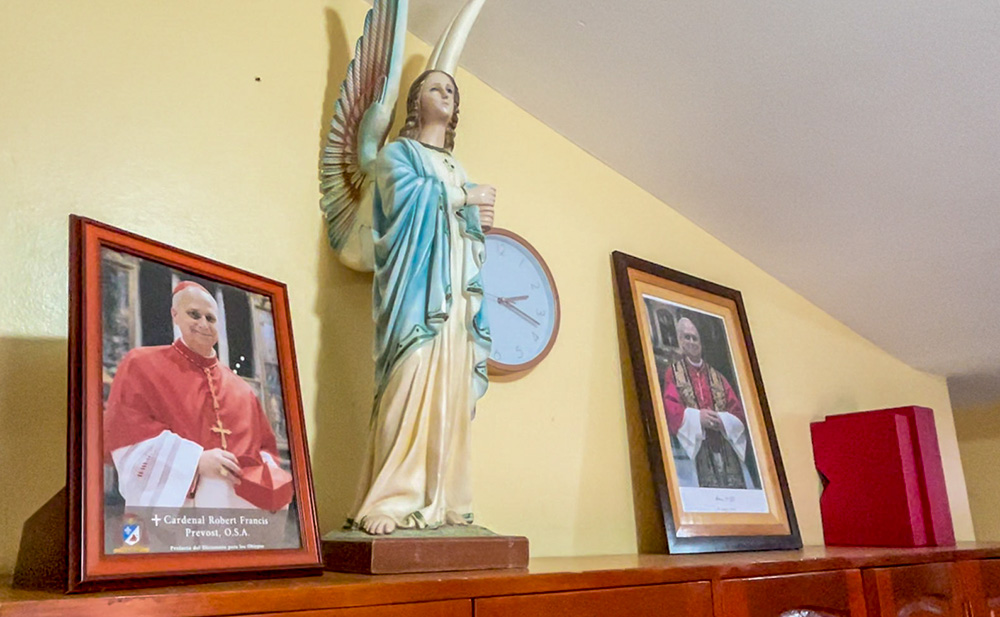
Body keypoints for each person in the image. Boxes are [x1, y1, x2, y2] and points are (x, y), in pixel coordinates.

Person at [349, 70, 496, 535]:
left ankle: (446, 498)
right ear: (415, 102)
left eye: (452, 90)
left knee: (449, 391)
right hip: (414, 293)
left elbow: (463, 229)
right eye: (436, 88)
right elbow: (398, 202)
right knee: (407, 384)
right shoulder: (399, 153)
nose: (447, 94)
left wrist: (477, 222)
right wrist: (462, 198)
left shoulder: (457, 166)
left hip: (453, 298)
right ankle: (391, 499)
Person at [104, 281, 282, 509]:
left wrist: (261, 473)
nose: (203, 324)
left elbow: (265, 449)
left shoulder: (242, 389)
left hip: (239, 514)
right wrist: (194, 460)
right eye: (194, 315)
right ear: (175, 315)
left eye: (210, 318)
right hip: (178, 519)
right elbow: (126, 434)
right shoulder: (141, 364)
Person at [662, 317, 753, 489]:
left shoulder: (717, 377)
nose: (691, 342)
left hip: (725, 449)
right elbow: (670, 410)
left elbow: (739, 414)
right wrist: (697, 418)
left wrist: (722, 420)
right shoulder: (673, 373)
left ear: (701, 342)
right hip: (693, 454)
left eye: (694, 338)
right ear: (680, 341)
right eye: (686, 337)